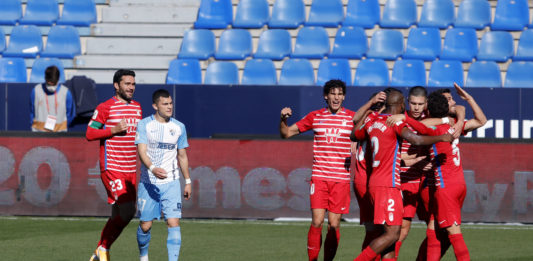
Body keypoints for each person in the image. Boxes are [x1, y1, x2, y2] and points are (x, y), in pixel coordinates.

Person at [351, 89, 452, 261]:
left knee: (390, 238)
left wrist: (368, 118)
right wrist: (442, 137)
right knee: (392, 234)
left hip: (374, 183)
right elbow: (416, 140)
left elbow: (354, 135)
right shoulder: (394, 123)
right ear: (400, 105)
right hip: (388, 185)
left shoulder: (371, 120)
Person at [389, 83, 487, 261]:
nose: (417, 107)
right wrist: (469, 100)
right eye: (414, 104)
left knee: (452, 234)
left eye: (420, 104)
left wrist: (402, 118)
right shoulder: (453, 126)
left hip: (443, 186)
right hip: (456, 183)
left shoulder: (434, 127)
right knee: (432, 230)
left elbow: (421, 127)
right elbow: (481, 120)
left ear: (427, 105)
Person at [280, 79, 356, 261]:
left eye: (339, 94)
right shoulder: (315, 117)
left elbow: (368, 135)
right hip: (320, 177)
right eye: (333, 94)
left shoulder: (353, 118)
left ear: (344, 96)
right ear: (326, 96)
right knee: (317, 221)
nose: (336, 98)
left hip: (341, 179)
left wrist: (357, 142)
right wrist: (283, 119)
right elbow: (286, 134)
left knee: (334, 224)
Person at [86, 69, 142, 261]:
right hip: (113, 167)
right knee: (127, 211)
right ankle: (103, 248)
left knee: (121, 213)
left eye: (133, 84)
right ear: (116, 86)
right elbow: (90, 133)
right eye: (127, 84)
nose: (131, 87)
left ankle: (100, 251)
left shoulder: (137, 107)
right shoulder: (105, 107)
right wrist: (113, 130)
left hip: (131, 169)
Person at [135, 89, 192, 261]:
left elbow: (182, 156)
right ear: (155, 105)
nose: (169, 107)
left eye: (171, 103)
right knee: (145, 226)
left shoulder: (179, 127)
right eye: (165, 104)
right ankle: (143, 256)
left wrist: (187, 181)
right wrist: (152, 168)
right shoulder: (144, 125)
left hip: (171, 183)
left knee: (173, 223)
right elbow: (142, 151)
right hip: (148, 182)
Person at [30, 65, 75, 132]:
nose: (51, 86)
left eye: (53, 83)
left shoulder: (66, 93)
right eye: (49, 83)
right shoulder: (36, 91)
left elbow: (70, 114)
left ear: (58, 79)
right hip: (39, 133)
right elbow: (32, 112)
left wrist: (60, 127)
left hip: (59, 134)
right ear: (45, 78)